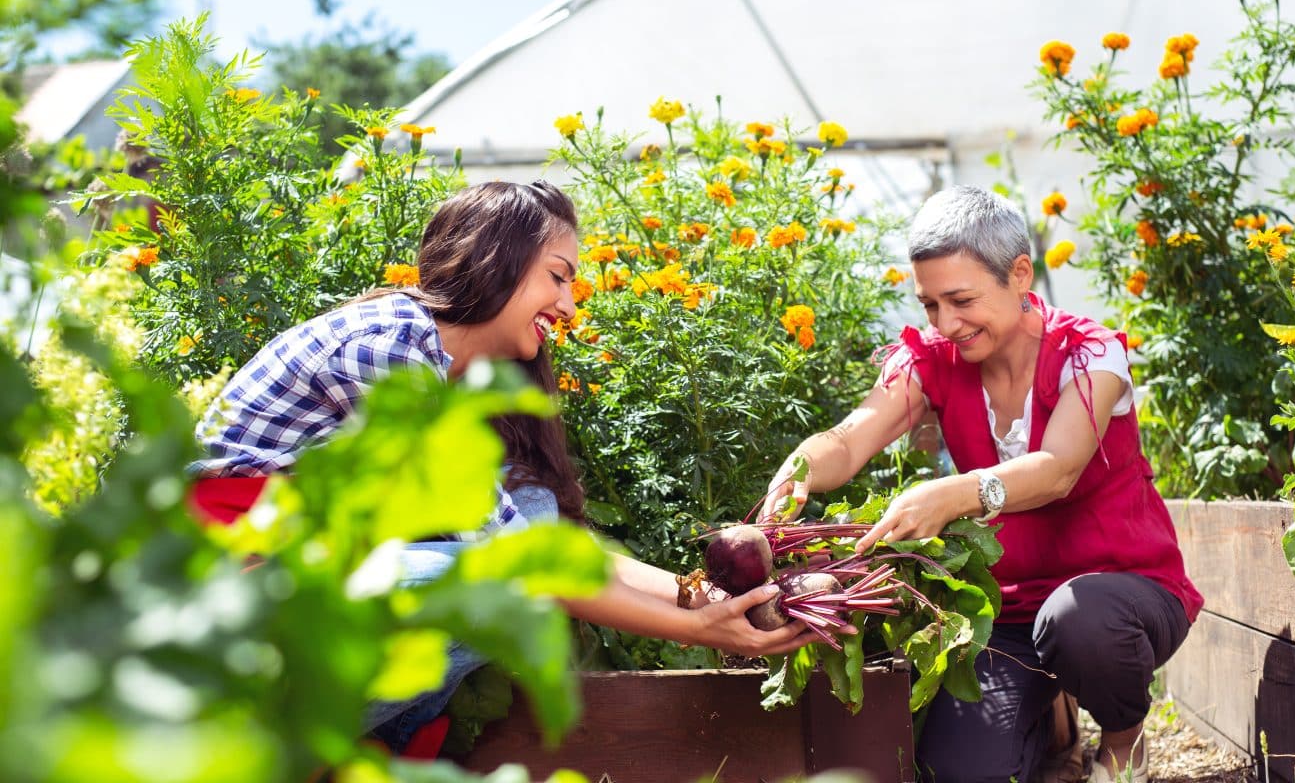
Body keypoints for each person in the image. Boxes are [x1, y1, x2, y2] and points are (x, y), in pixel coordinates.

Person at [187, 180, 819, 753]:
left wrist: (700, 596)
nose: (570, 305)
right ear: (500, 260)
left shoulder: (455, 375)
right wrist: (705, 632)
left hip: (305, 572)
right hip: (226, 597)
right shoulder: (390, 350)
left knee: (532, 515)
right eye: (558, 277)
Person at [761, 186, 1202, 783]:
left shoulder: (1088, 354)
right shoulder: (932, 361)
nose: (946, 324)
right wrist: (800, 468)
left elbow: (1058, 469)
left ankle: (1123, 738)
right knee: (958, 772)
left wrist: (952, 494)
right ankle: (1056, 720)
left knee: (1079, 619)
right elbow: (851, 437)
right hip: (1009, 614)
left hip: (1121, 596)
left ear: (1020, 275)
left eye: (961, 300)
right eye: (930, 305)